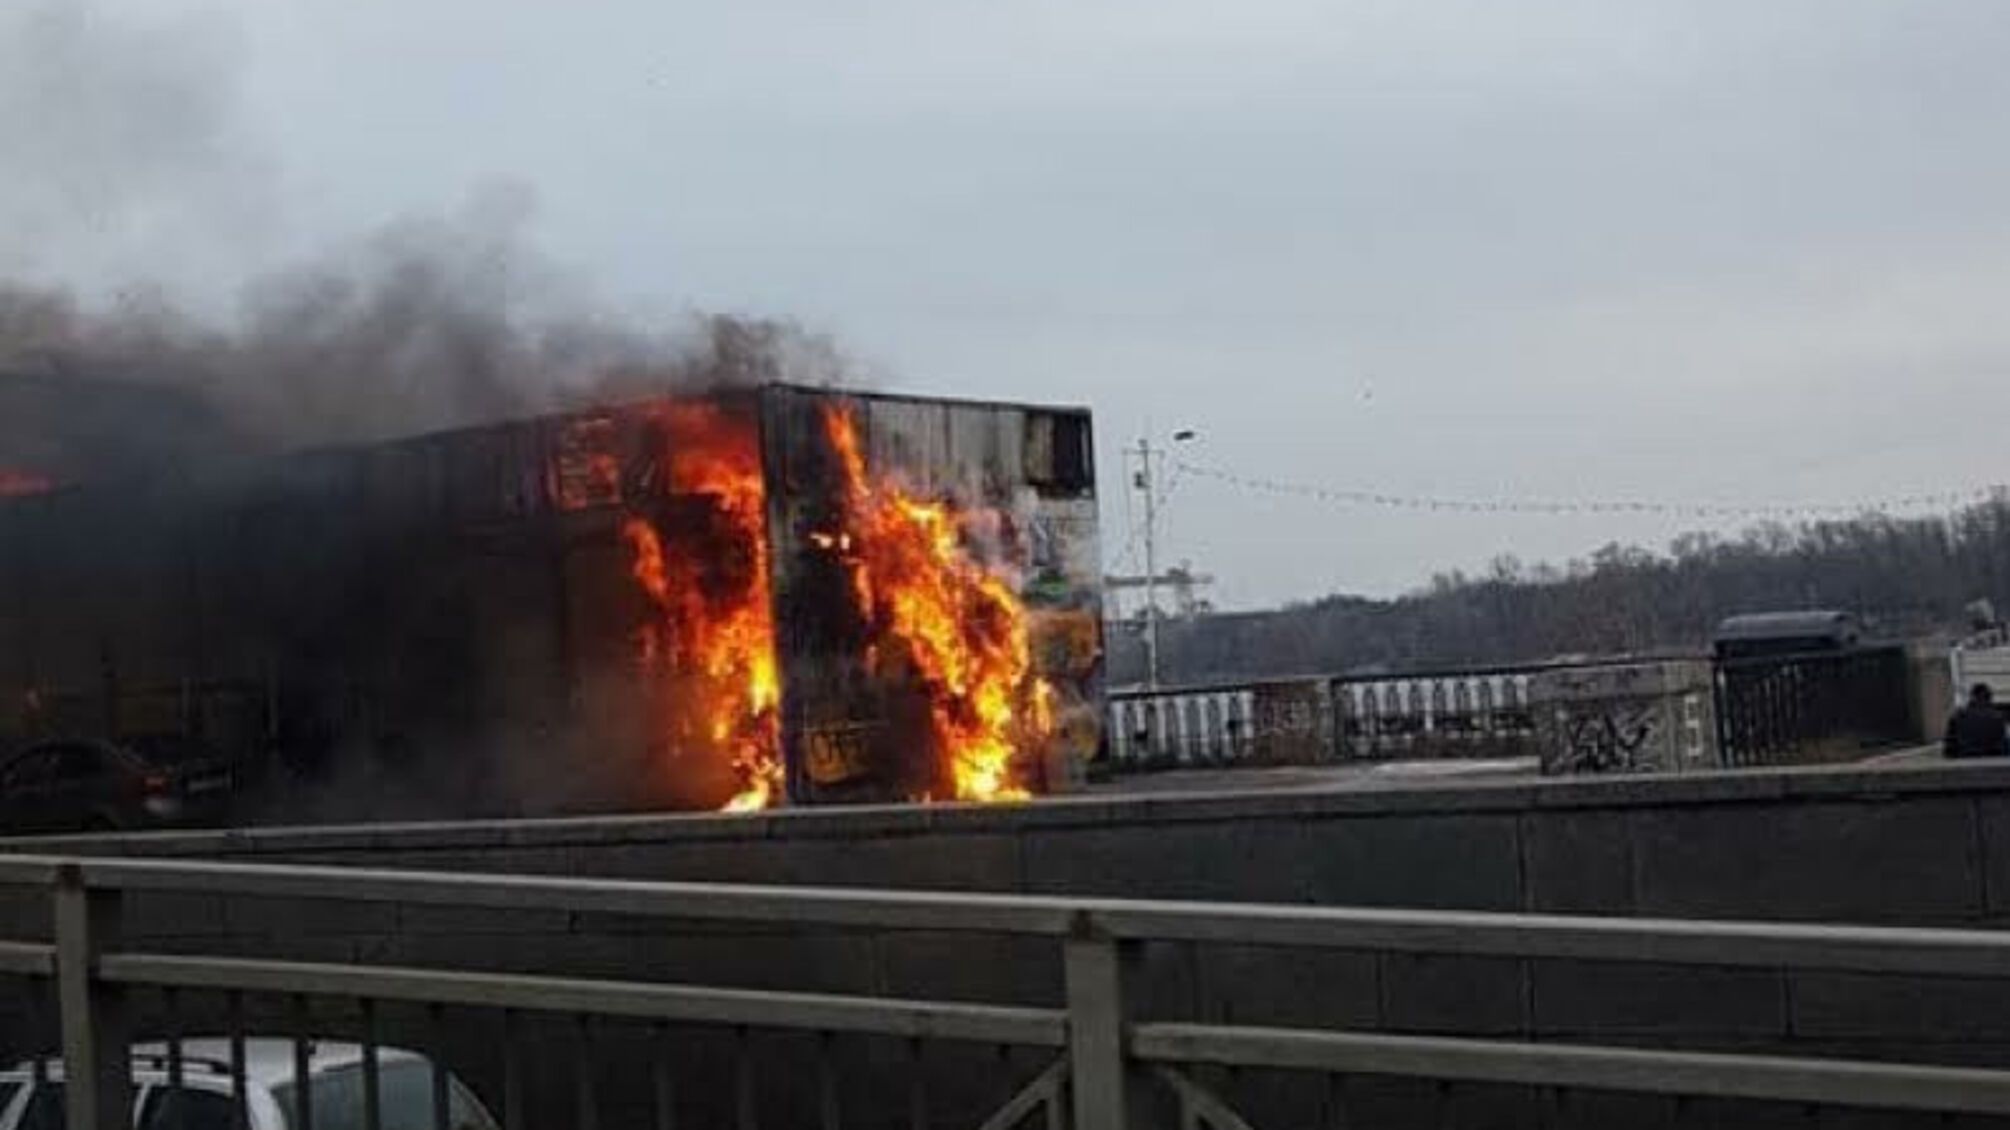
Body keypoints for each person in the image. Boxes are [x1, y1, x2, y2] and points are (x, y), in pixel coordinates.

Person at [1944, 683, 2010, 759]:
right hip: (1994, 757)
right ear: (1989, 698)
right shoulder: (1998, 716)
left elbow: (1949, 747)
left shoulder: (1959, 716)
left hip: (1967, 757)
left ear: (1972, 697)